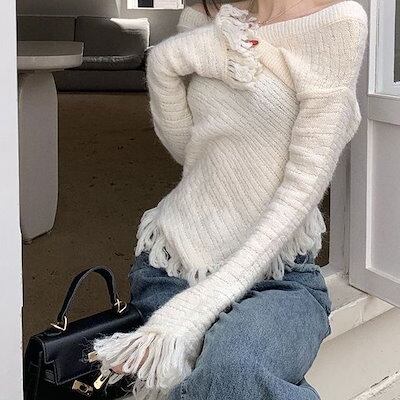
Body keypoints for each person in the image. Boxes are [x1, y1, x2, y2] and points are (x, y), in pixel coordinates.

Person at [93, 1, 369, 399]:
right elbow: (193, 153)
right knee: (214, 383)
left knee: (231, 370)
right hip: (176, 259)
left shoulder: (338, 23)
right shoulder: (207, 15)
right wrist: (164, 64)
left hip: (280, 272)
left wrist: (205, 301)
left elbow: (303, 187)